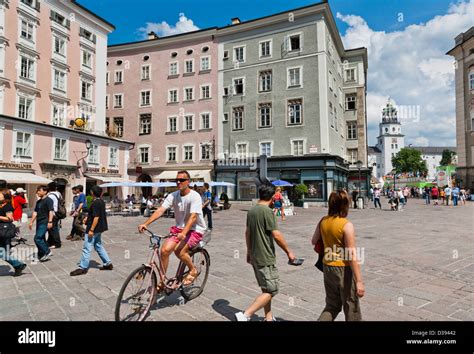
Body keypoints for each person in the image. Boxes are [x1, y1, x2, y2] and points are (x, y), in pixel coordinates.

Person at [234, 183, 296, 322]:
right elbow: (276, 235)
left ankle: (268, 317)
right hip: (265, 256)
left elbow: (247, 233)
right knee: (272, 290)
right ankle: (246, 315)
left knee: (265, 287)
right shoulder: (268, 212)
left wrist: (249, 251)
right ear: (273, 196)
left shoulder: (252, 211)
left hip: (255, 254)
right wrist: (289, 252)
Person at [138, 171, 207, 288]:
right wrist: (146, 223)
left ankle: (193, 269)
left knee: (180, 251)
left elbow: (193, 217)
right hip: (179, 229)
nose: (178, 182)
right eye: (177, 180)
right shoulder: (173, 195)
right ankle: (163, 280)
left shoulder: (195, 196)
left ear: (188, 182)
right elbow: (161, 210)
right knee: (164, 251)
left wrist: (184, 233)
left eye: (182, 180)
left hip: (195, 229)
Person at [311, 190, 364, 321]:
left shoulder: (323, 221)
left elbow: (313, 241)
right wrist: (359, 281)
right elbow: (351, 254)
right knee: (351, 306)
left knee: (332, 306)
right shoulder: (346, 225)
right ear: (344, 205)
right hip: (343, 269)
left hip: (327, 266)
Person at [70, 185, 113, 276]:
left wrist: (91, 230)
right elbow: (95, 215)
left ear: (92, 193)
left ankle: (83, 267)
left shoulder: (96, 203)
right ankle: (108, 263)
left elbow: (96, 217)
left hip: (94, 229)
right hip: (100, 228)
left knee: (87, 247)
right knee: (98, 245)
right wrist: (87, 218)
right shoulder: (101, 201)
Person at [0, 189, 27, 276]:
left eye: (0, 194)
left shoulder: (7, 206)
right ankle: (18, 265)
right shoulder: (1, 205)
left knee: (1, 252)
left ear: (5, 197)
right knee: (3, 252)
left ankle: (18, 265)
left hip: (4, 231)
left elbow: (10, 218)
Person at [29, 186, 54, 262]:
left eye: (39, 191)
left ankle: (47, 251)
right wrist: (31, 222)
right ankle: (42, 253)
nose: (37, 192)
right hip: (39, 222)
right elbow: (35, 212)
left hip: (45, 222)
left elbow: (51, 211)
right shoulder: (38, 201)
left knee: (37, 238)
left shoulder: (48, 200)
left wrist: (50, 221)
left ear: (45, 191)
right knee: (42, 238)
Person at [47, 182, 62, 249]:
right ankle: (50, 242)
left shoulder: (50, 195)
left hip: (52, 213)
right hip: (58, 213)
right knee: (52, 228)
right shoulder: (59, 194)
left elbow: (49, 205)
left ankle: (57, 243)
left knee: (53, 229)